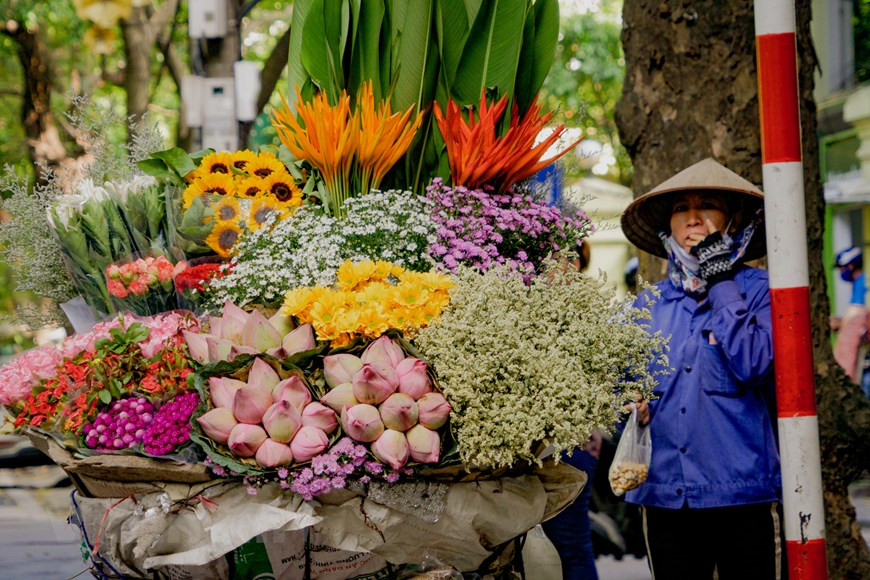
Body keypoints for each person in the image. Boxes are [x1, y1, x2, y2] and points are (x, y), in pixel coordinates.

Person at [619, 158, 783, 578]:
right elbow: (623, 383)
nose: (692, 218)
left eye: (707, 204)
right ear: (667, 226)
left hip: (741, 496)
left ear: (734, 221)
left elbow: (754, 363)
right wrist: (628, 400)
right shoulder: (647, 305)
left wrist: (721, 278)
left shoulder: (762, 292)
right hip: (666, 496)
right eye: (680, 208)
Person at [832, 246, 870, 397]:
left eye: (841, 268)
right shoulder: (859, 286)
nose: (840, 272)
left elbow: (860, 323)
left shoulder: (863, 287)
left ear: (850, 266)